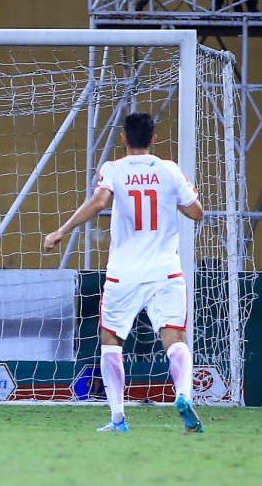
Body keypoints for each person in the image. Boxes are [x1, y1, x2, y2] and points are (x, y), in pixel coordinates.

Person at [43, 112, 205, 433]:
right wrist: (185, 197)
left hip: (123, 274)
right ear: (154, 138)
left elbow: (99, 202)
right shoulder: (170, 170)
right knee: (174, 339)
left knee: (111, 341)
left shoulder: (114, 170)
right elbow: (196, 213)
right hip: (166, 272)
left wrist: (61, 230)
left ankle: (118, 417)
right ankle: (184, 395)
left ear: (123, 137)